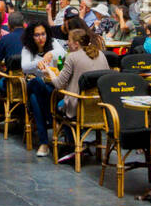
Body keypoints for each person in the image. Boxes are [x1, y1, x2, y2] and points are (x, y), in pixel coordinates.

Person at [51, 26, 104, 163]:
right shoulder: (101, 54)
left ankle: (73, 145)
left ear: (76, 43)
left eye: (69, 40)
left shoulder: (72, 57)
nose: (67, 43)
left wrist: (49, 72)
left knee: (58, 105)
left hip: (79, 107)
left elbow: (58, 84)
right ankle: (79, 144)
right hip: (100, 107)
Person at [20, 20, 66, 157]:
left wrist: (51, 54)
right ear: (31, 36)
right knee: (37, 82)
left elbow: (63, 53)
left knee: (35, 99)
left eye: (43, 34)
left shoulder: (52, 43)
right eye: (37, 35)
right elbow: (25, 67)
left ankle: (44, 143)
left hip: (50, 88)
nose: (41, 38)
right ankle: (54, 122)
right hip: (35, 84)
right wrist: (38, 63)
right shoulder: (27, 49)